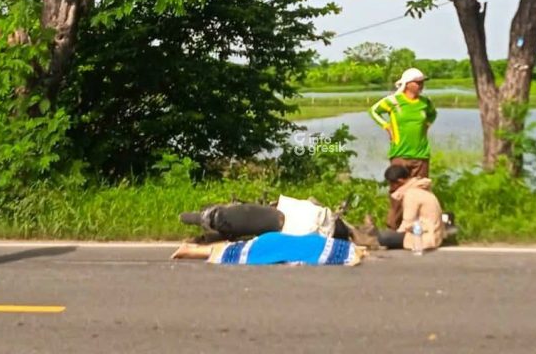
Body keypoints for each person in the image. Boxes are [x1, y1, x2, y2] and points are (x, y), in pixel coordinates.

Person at [370, 67, 437, 228]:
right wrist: (386, 126)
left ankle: (418, 227)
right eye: (418, 82)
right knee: (397, 192)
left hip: (421, 155)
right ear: (407, 84)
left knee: (420, 191)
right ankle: (394, 227)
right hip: (400, 154)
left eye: (423, 82)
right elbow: (373, 111)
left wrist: (427, 125)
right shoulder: (393, 101)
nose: (421, 85)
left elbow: (433, 114)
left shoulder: (425, 103)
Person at [171, 231, 364, 266]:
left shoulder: (333, 246)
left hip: (274, 240)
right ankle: (192, 250)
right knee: (239, 253)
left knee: (239, 249)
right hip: (276, 245)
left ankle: (193, 249)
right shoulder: (337, 251)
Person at [376, 165, 445, 251]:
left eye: (391, 184)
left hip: (425, 237)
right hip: (434, 234)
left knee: (383, 237)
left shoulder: (411, 194)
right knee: (386, 234)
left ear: (399, 182)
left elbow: (407, 223)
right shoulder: (421, 188)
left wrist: (395, 235)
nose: (390, 188)